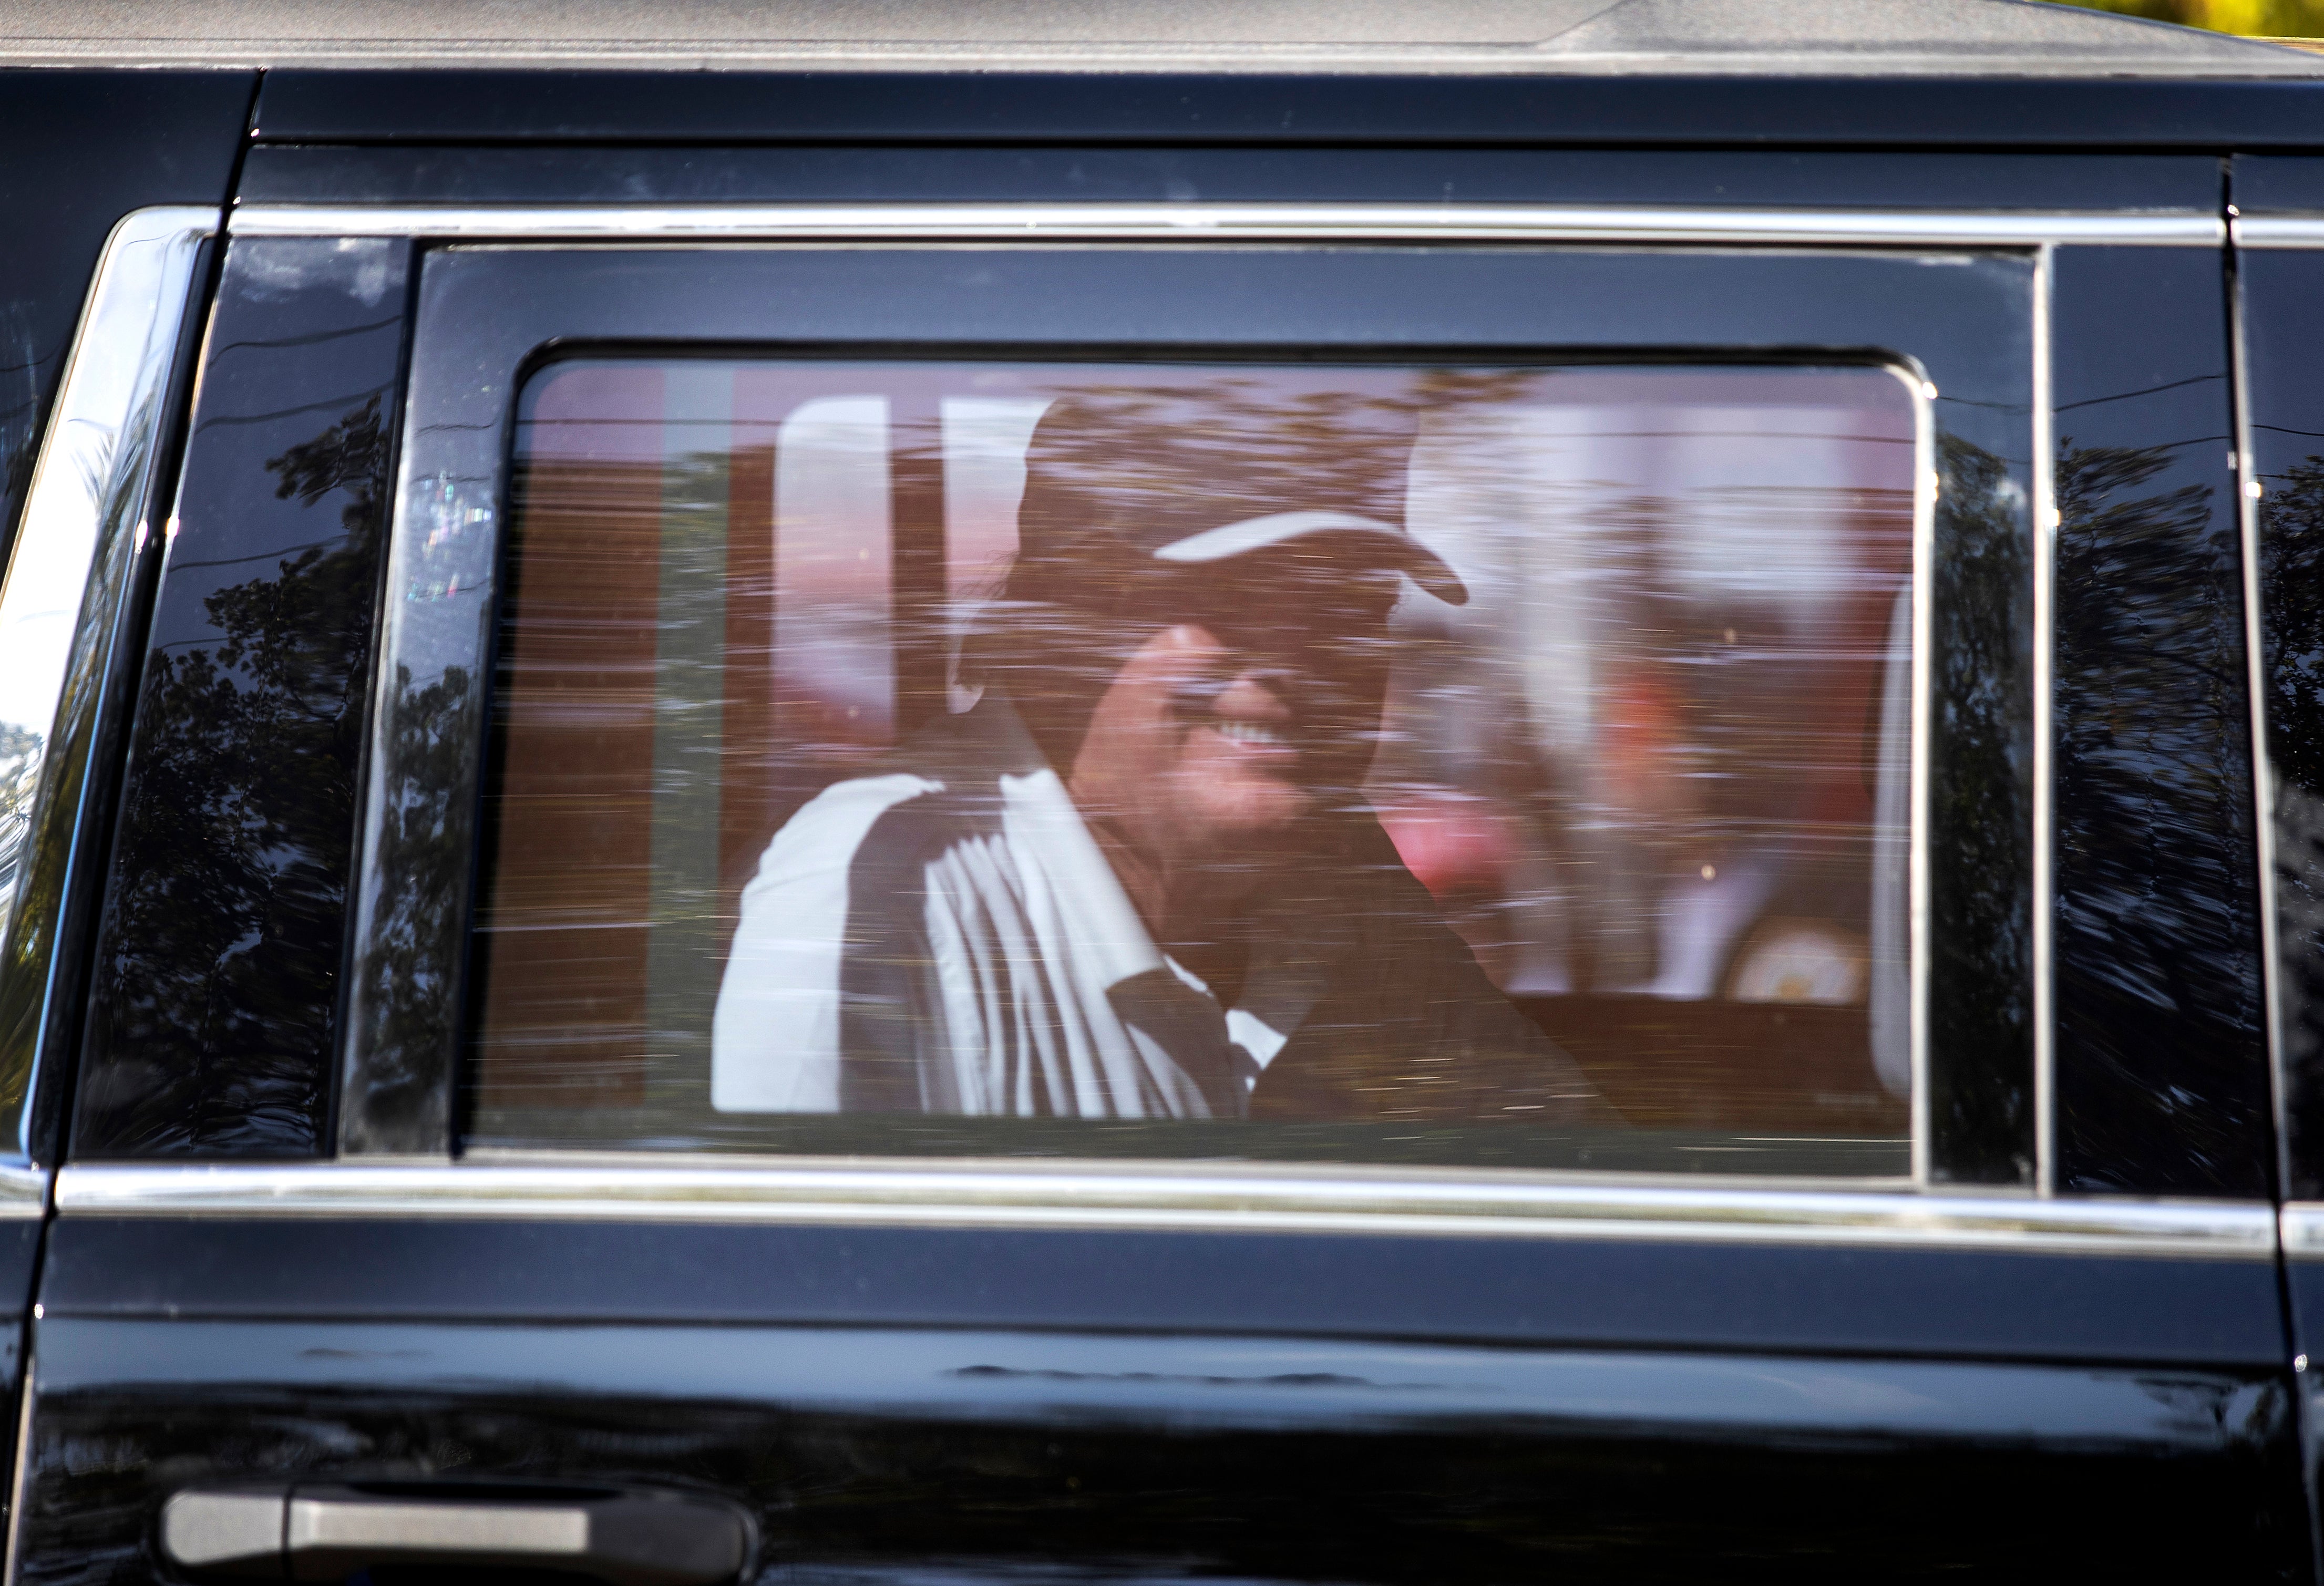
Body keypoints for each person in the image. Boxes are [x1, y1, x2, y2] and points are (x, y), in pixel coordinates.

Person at [711, 389, 1608, 1124]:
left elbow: (1562, 1183)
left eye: (1349, 609)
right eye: (1229, 598)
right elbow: (795, 1299)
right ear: (1065, 614)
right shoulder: (878, 887)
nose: (1296, 661)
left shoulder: (1339, 877)